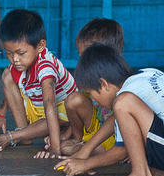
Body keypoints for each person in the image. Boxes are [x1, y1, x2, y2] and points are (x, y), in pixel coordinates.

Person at [56, 43, 164, 176]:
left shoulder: (125, 98)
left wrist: (85, 164)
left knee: (122, 102)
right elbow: (116, 119)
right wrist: (85, 150)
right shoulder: (145, 75)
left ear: (104, 84)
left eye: (93, 96)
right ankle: (162, 174)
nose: (95, 102)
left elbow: (122, 151)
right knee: (123, 105)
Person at [0, 9, 78, 158]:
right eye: (9, 54)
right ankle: (25, 134)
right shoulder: (19, 65)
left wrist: (54, 150)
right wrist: (0, 114)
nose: (14, 59)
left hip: (62, 113)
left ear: (40, 45)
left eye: (20, 53)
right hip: (38, 109)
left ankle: (15, 136)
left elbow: (50, 105)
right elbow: (12, 90)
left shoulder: (45, 66)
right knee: (7, 75)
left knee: (52, 117)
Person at [39, 18, 124, 158]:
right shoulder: (89, 75)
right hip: (96, 129)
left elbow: (117, 120)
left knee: (68, 149)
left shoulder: (120, 81)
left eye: (85, 57)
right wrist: (67, 136)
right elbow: (80, 102)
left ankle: (90, 148)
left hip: (118, 137)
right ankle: (79, 140)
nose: (82, 62)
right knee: (74, 100)